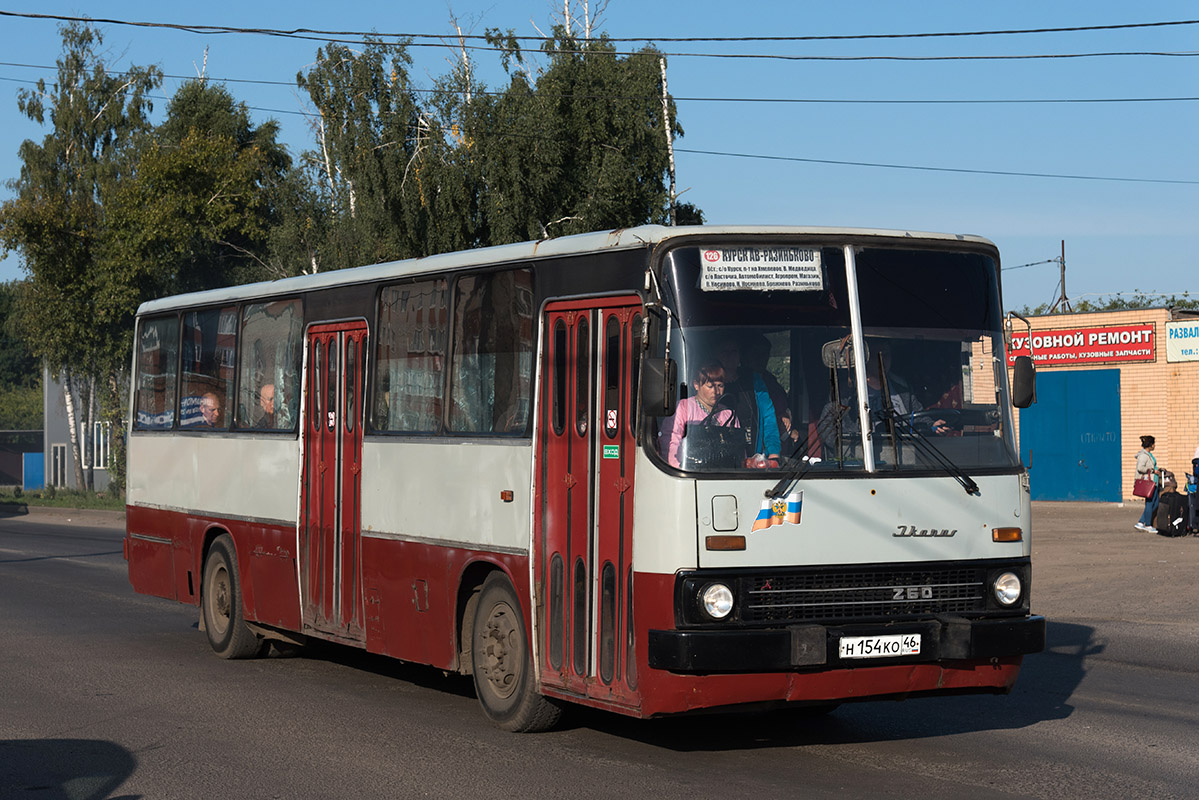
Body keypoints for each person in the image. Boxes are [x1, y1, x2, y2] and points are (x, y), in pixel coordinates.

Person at [661, 360, 739, 468]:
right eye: (710, 386)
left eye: (720, 386)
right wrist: (678, 469)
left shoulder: (729, 414)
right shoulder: (683, 408)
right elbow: (670, 442)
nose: (716, 391)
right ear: (696, 385)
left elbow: (738, 448)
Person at [1134, 435, 1160, 533]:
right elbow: (1140, 468)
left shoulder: (1148, 454)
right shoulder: (1144, 456)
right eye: (1154, 444)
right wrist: (1153, 470)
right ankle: (1148, 525)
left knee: (1155, 502)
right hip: (1148, 483)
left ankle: (1141, 522)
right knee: (1149, 503)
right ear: (1150, 445)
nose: (1155, 446)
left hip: (1154, 481)